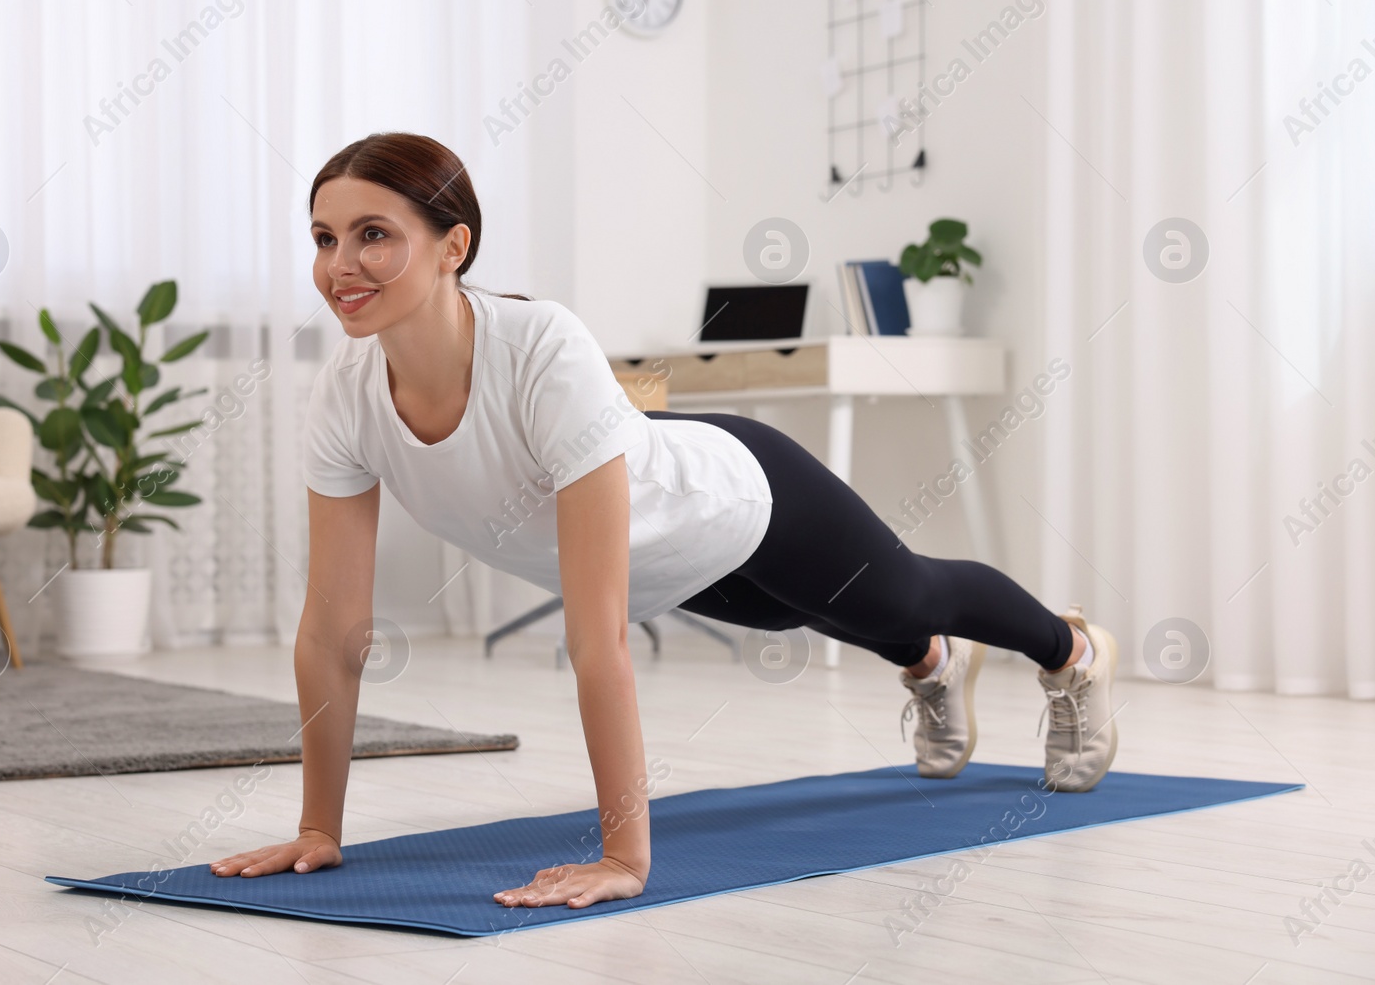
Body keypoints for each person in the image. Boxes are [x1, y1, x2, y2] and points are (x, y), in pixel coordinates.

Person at [209, 132, 1118, 910]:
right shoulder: (347, 394)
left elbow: (598, 632)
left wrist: (623, 856)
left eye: (375, 235)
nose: (341, 265)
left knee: (906, 590)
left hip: (743, 499)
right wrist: (317, 829)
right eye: (325, 237)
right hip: (669, 562)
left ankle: (1071, 652)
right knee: (806, 615)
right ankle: (929, 661)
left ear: (455, 246)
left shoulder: (540, 345)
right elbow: (334, 631)